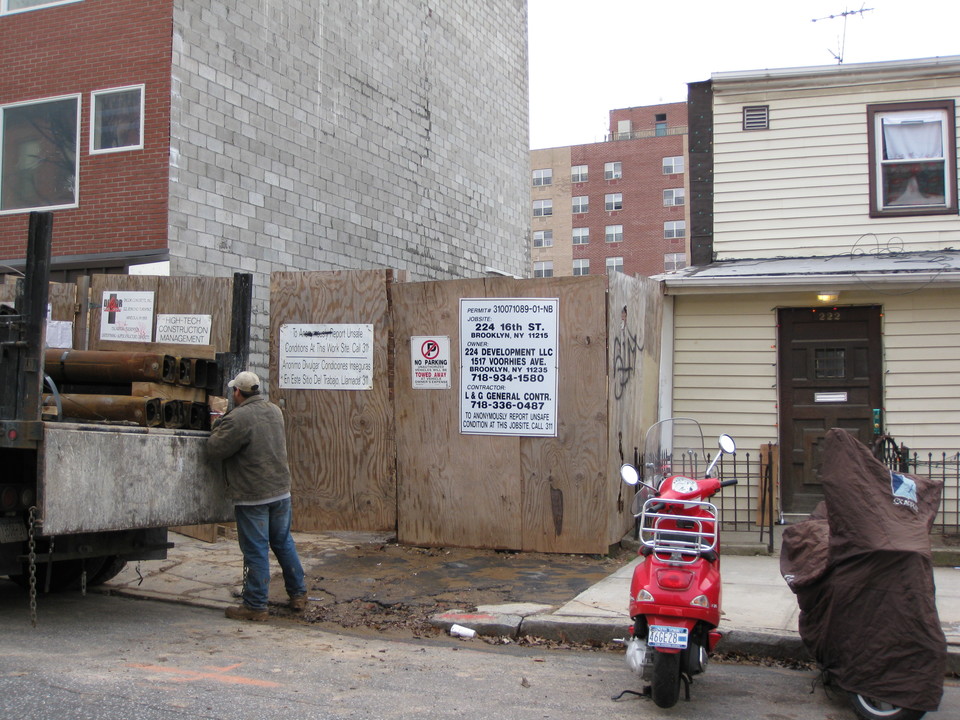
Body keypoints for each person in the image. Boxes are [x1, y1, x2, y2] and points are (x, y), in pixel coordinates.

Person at [206, 370, 308, 621]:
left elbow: (214, 449)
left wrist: (218, 423)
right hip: (281, 491)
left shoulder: (238, 418)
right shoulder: (274, 410)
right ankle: (298, 594)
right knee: (283, 542)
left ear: (237, 392)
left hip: (254, 495)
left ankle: (255, 605)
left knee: (256, 549)